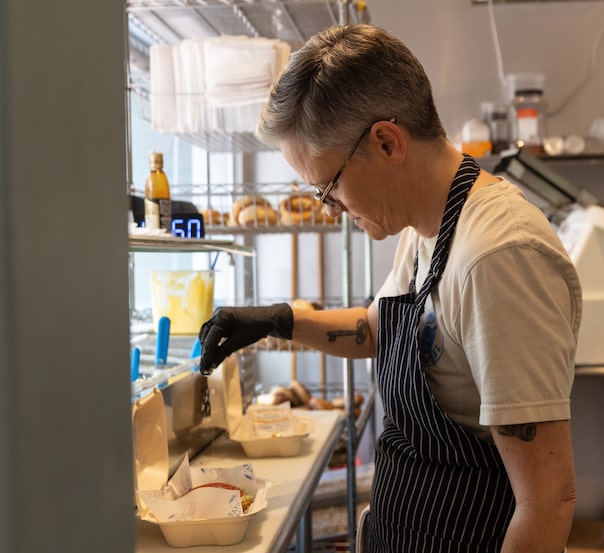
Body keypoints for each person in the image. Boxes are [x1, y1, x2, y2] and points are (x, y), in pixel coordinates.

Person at [199, 23, 581, 553]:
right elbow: (377, 329)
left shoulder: (498, 256)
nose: (330, 208)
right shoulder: (425, 224)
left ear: (386, 142)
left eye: (328, 188)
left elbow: (547, 502)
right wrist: (280, 320)